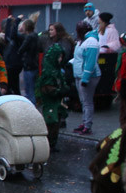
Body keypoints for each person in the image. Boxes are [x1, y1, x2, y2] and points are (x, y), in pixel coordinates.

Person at [38, 23, 69, 151]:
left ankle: (53, 143)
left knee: (56, 124)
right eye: (59, 56)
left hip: (58, 104)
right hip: (51, 104)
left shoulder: (57, 70)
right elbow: (46, 88)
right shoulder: (49, 72)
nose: (61, 58)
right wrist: (59, 92)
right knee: (51, 123)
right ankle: (48, 144)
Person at [71, 21, 101, 135]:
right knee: (83, 101)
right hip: (79, 75)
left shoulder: (91, 42)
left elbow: (90, 62)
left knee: (87, 102)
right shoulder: (82, 40)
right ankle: (84, 122)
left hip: (88, 77)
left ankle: (87, 125)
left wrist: (85, 78)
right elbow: (79, 59)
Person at [17, 17, 40, 104]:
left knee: (29, 91)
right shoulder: (36, 36)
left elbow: (21, 50)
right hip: (34, 65)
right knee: (31, 90)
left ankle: (31, 109)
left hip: (28, 65)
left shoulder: (29, 37)